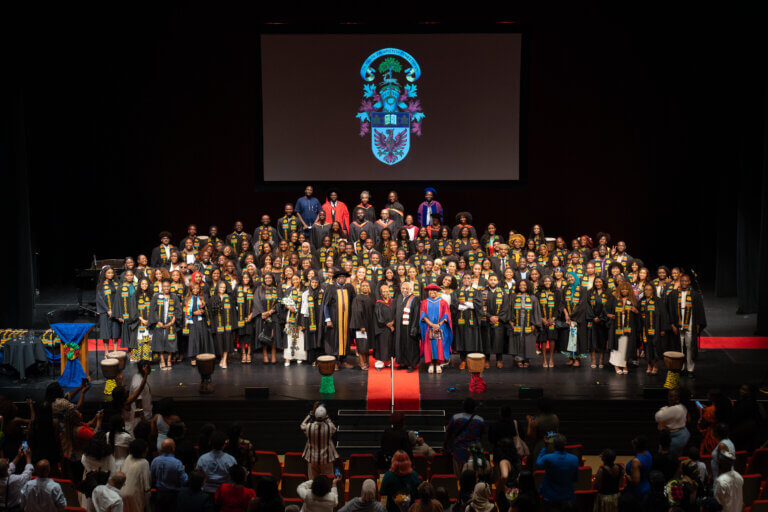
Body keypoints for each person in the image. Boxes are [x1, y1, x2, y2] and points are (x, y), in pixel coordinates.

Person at [667, 274, 707, 377]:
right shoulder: (673, 294)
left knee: (690, 345)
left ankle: (690, 369)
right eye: (682, 281)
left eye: (686, 281)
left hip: (690, 321)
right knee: (679, 345)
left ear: (689, 282)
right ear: (680, 281)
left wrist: (698, 324)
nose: (684, 283)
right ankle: (680, 367)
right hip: (678, 321)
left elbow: (699, 311)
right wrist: (672, 324)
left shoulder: (695, 295)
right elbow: (670, 310)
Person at [323, 269, 356, 368]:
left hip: (346, 319)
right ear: (336, 278)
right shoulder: (331, 288)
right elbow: (326, 305)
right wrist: (328, 319)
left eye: (344, 277)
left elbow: (354, 303)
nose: (342, 278)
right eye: (340, 277)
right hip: (334, 319)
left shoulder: (349, 287)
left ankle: (344, 360)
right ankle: (335, 362)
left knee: (345, 340)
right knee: (334, 340)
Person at [535, 434, 578, 510]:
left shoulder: (547, 458)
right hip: (567, 496)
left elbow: (538, 463)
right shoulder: (574, 459)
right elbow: (575, 479)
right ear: (565, 444)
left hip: (550, 496)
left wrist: (545, 447)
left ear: (554, 445)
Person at [445, 399, 485, 477]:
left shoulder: (456, 418)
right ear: (474, 407)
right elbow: (481, 435)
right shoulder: (480, 420)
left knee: (458, 477)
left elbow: (448, 432)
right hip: (474, 452)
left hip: (459, 451)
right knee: (473, 476)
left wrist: (445, 444)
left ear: (463, 407)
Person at [607, 281, 640, 375]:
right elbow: (606, 310)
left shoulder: (633, 300)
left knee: (625, 345)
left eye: (626, 289)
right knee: (616, 344)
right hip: (616, 324)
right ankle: (616, 365)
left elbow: (639, 315)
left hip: (628, 324)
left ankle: (624, 364)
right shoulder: (614, 299)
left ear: (629, 290)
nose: (624, 290)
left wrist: (636, 311)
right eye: (622, 289)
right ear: (619, 290)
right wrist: (609, 315)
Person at [419, 284, 452, 373]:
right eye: (430, 290)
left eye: (434, 290)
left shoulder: (443, 302)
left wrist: (438, 325)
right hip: (428, 327)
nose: (432, 292)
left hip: (440, 328)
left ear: (437, 291)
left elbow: (446, 315)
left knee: (439, 345)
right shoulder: (424, 302)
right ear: (428, 292)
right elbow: (423, 315)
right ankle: (430, 364)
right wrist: (432, 324)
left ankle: (437, 363)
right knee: (429, 345)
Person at [150, 278, 182, 370]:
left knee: (170, 342)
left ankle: (168, 360)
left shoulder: (174, 297)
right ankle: (162, 361)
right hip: (159, 323)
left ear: (170, 287)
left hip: (171, 324)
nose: (166, 288)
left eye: (168, 286)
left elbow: (178, 311)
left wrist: (172, 322)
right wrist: (158, 321)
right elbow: (153, 310)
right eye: (164, 286)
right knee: (159, 341)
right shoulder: (156, 296)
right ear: (162, 287)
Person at [301, 403, 339, 479]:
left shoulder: (309, 427)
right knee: (328, 481)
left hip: (312, 458)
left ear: (315, 415)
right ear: (325, 416)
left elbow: (302, 425)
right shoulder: (329, 428)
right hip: (326, 459)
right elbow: (334, 428)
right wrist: (326, 417)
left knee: (312, 482)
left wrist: (311, 413)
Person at [454, 273, 483, 369]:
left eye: (468, 278)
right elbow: (454, 305)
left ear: (471, 280)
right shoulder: (457, 292)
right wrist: (468, 305)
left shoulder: (476, 292)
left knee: (472, 340)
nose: (466, 279)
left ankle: (471, 361)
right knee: (461, 340)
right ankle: (462, 361)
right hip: (461, 320)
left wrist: (465, 303)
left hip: (472, 320)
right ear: (462, 280)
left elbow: (478, 305)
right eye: (465, 278)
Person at [196, 431, 237, 495]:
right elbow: (234, 477)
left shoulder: (202, 458)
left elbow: (198, 475)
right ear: (224, 445)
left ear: (210, 443)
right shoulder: (231, 459)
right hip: (224, 492)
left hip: (205, 491)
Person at [151, 439, 189, 507]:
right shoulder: (177, 463)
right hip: (173, 496)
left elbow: (152, 478)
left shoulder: (155, 461)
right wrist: (183, 470)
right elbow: (184, 480)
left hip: (159, 494)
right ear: (173, 448)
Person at [654, 389, 691, 459]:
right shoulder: (682, 407)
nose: (670, 398)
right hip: (683, 434)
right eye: (669, 396)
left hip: (676, 437)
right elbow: (688, 419)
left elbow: (657, 417)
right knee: (677, 456)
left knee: (667, 457)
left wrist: (663, 410)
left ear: (678, 398)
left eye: (673, 396)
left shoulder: (675, 409)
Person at [394, 281, 421, 372]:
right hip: (400, 327)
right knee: (400, 344)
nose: (405, 290)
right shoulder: (399, 297)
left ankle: (411, 364)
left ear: (411, 289)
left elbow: (417, 314)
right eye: (403, 288)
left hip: (409, 327)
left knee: (410, 346)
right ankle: (402, 363)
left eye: (407, 288)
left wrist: (414, 327)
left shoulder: (415, 299)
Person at [351, 280, 376, 370]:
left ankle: (366, 361)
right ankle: (362, 363)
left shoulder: (372, 297)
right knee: (361, 345)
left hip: (369, 325)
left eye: (367, 286)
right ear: (360, 287)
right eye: (363, 286)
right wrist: (361, 326)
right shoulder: (357, 298)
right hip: (361, 326)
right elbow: (357, 313)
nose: (365, 287)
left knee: (366, 345)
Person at [97, 265, 122, 353]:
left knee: (115, 333)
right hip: (105, 312)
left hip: (115, 311)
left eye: (112, 273)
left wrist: (116, 310)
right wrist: (107, 310)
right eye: (108, 273)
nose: (111, 274)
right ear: (104, 274)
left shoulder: (117, 284)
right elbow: (100, 299)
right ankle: (106, 352)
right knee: (106, 334)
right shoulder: (101, 285)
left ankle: (115, 352)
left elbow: (119, 298)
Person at [0, 444, 34, 510]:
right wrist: (28, 457)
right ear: (7, 466)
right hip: (14, 508)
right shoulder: (14, 480)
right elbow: (28, 474)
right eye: (7, 461)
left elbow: (9, 469)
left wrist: (18, 456)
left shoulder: (3, 473)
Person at [120, 440, 150, 512]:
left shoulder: (128, 458)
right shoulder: (144, 462)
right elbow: (146, 486)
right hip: (134, 494)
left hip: (121, 492)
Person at [373, 283, 396, 369]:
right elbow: (379, 316)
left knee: (390, 344)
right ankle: (380, 361)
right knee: (382, 344)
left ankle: (388, 361)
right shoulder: (378, 303)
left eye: (387, 291)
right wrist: (388, 325)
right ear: (381, 293)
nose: (386, 293)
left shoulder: (393, 301)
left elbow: (396, 313)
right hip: (382, 328)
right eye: (384, 291)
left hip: (392, 327)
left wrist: (393, 322)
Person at [626, 435, 652, 501]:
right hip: (647, 485)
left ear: (635, 446)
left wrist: (625, 475)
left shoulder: (636, 461)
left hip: (638, 491)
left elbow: (635, 482)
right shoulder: (647, 453)